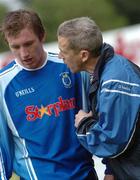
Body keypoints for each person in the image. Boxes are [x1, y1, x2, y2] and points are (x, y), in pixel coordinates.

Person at [0, 10, 98, 180]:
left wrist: (111, 169)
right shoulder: (3, 85)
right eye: (15, 47)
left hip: (84, 174)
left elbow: (100, 121)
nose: (24, 54)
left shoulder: (72, 68)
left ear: (42, 36)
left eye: (28, 43)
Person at [57, 17, 140, 180]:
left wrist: (83, 123)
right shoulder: (106, 71)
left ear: (83, 55)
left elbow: (111, 142)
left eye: (64, 52)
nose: (60, 56)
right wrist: (110, 170)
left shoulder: (114, 81)